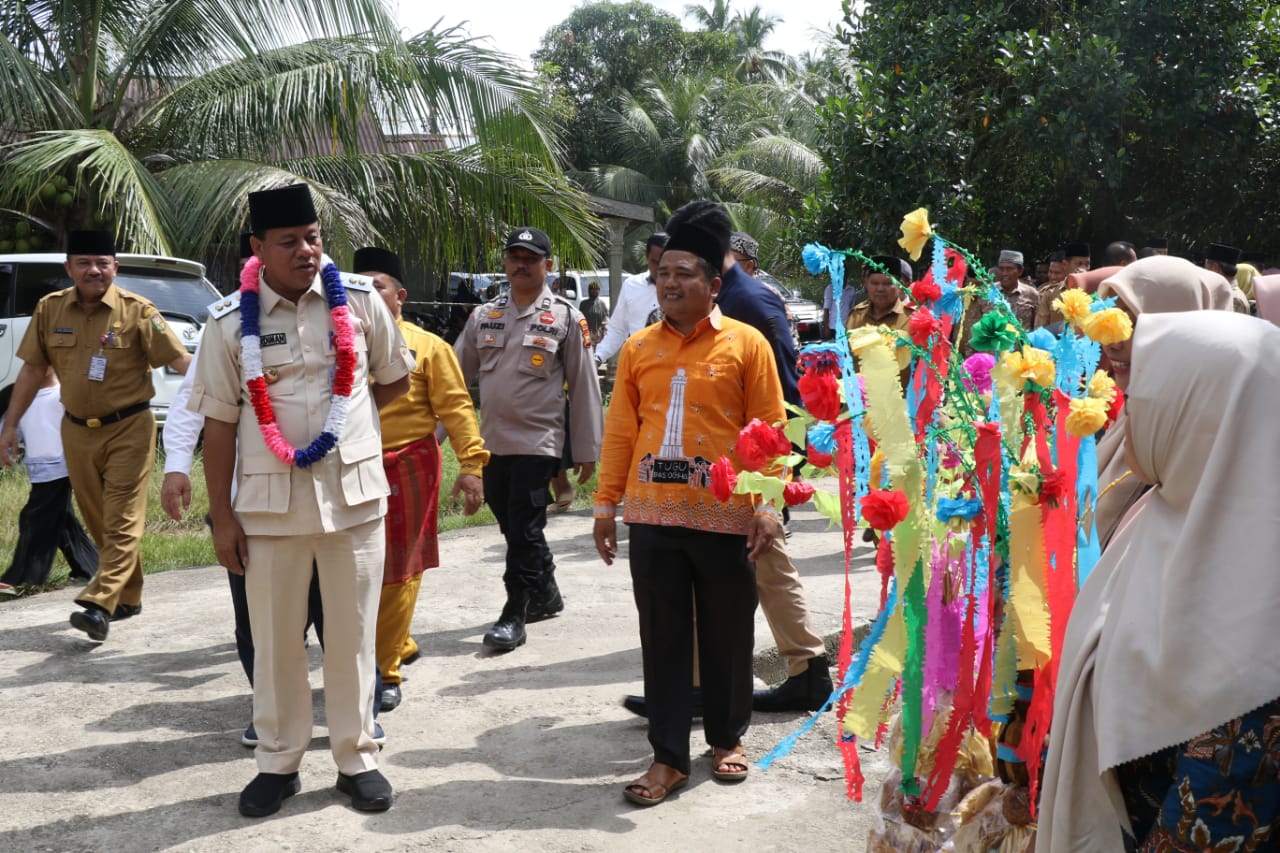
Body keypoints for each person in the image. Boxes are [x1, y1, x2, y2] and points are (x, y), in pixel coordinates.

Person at [190, 183, 412, 817]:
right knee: (275, 640)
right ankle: (278, 761)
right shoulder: (231, 323)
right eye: (289, 242)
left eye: (313, 238)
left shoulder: (363, 303)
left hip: (354, 501)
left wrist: (351, 429)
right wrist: (223, 518)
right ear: (259, 248)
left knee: (353, 637)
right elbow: (221, 425)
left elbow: (392, 384)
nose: (306, 250)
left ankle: (357, 757)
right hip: (269, 510)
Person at [1038, 311, 1280, 851]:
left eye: (1146, 399)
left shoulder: (1261, 576)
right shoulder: (1164, 515)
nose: (1130, 418)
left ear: (1204, 413)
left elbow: (1226, 786)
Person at [592, 203, 786, 806]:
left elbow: (770, 428)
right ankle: (668, 757)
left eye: (685, 274)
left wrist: (767, 503)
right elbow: (621, 430)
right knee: (664, 637)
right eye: (663, 274)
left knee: (730, 633)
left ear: (714, 284)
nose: (670, 283)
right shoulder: (638, 349)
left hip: (727, 518)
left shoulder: (747, 344)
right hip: (652, 517)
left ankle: (727, 739)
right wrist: (605, 506)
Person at [161, 233, 336, 750]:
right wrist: (176, 467)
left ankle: (354, 708)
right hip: (252, 501)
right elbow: (195, 407)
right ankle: (272, 710)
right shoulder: (230, 323)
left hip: (328, 497)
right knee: (257, 615)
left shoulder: (338, 309)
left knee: (333, 609)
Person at [0, 230, 190, 642]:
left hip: (129, 427)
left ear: (115, 268)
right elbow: (33, 370)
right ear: (69, 268)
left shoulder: (139, 311)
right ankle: (129, 595)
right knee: (100, 519)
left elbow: (179, 360)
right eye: (84, 262)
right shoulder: (50, 309)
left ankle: (99, 602)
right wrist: (10, 425)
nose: (94, 270)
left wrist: (235, 374)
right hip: (76, 430)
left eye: (102, 262)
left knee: (121, 517)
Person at [454, 227, 602, 652]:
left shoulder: (566, 317)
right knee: (513, 524)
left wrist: (587, 451)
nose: (520, 264)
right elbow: (452, 380)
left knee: (523, 529)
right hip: (492, 443)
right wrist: (435, 435)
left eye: (531, 258)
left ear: (547, 266)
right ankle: (547, 590)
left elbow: (586, 387)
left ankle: (514, 613)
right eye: (514, 256)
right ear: (504, 263)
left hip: (540, 442)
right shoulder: (484, 316)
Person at [354, 246, 488, 713]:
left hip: (408, 464)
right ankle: (399, 640)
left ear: (399, 296)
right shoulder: (338, 346)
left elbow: (457, 408)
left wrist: (472, 466)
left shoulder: (430, 347)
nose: (366, 297)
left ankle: (385, 671)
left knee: (398, 569)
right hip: (347, 467)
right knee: (351, 569)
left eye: (377, 287)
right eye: (357, 288)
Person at [1088, 256, 1235, 550]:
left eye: (1135, 323)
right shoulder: (1133, 414)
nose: (1114, 342)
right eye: (1111, 322)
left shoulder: (1206, 434)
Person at [1, 366, 98, 587]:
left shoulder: (63, 395)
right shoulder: (21, 399)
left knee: (33, 518)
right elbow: (10, 429)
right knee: (63, 522)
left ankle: (21, 578)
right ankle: (91, 569)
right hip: (38, 470)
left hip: (62, 468)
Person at [594, 233, 666, 364]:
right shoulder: (631, 285)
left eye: (664, 262)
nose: (659, 268)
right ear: (646, 256)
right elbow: (618, 328)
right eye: (655, 262)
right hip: (638, 366)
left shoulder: (683, 289)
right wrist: (598, 357)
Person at [959, 250, 1038, 355]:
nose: (1004, 273)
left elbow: (1037, 328)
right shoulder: (986, 292)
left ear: (1020, 271)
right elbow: (973, 328)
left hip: (1019, 360)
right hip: (990, 360)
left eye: (1009, 269)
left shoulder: (1031, 294)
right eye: (1001, 269)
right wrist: (970, 360)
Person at [1203, 242, 1252, 313]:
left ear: (1215, 268)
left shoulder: (1234, 299)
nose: (1204, 272)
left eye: (1206, 267)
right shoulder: (1226, 293)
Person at [578, 282, 609, 346]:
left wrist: (604, 334)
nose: (595, 291)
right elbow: (580, 319)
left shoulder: (602, 304)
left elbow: (605, 321)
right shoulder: (584, 304)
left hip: (598, 335)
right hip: (586, 334)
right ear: (589, 290)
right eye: (592, 289)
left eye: (597, 289)